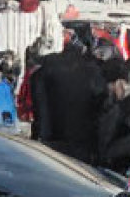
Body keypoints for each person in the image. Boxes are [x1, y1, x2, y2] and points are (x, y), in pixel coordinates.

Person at [31, 36, 107, 164]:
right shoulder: (92, 71)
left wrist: (39, 134)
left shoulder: (44, 70)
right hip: (83, 139)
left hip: (51, 138)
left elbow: (39, 106)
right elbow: (101, 104)